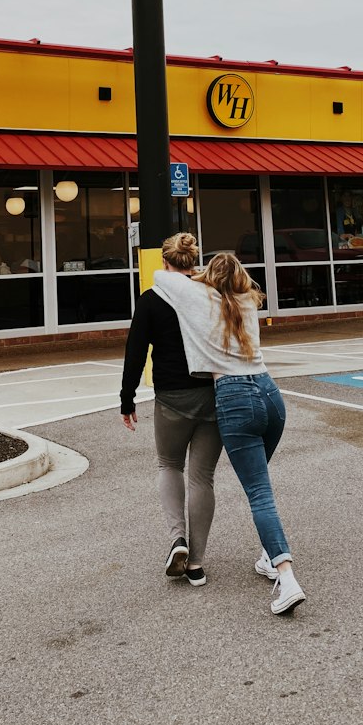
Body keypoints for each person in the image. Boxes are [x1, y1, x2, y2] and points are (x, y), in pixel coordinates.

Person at [153, 253, 305, 616]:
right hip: (270, 394)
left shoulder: (198, 297)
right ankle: (270, 557)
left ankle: (287, 578)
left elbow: (161, 276)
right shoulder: (248, 300)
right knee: (260, 483)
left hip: (235, 398)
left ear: (208, 276)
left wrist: (195, 276)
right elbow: (237, 285)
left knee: (259, 494)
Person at [120, 233, 221, 587]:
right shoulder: (210, 294)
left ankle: (177, 538)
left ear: (164, 262)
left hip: (171, 397)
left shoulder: (151, 300)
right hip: (211, 393)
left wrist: (127, 398)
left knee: (169, 464)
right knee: (202, 477)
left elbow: (135, 352)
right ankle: (196, 563)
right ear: (193, 262)